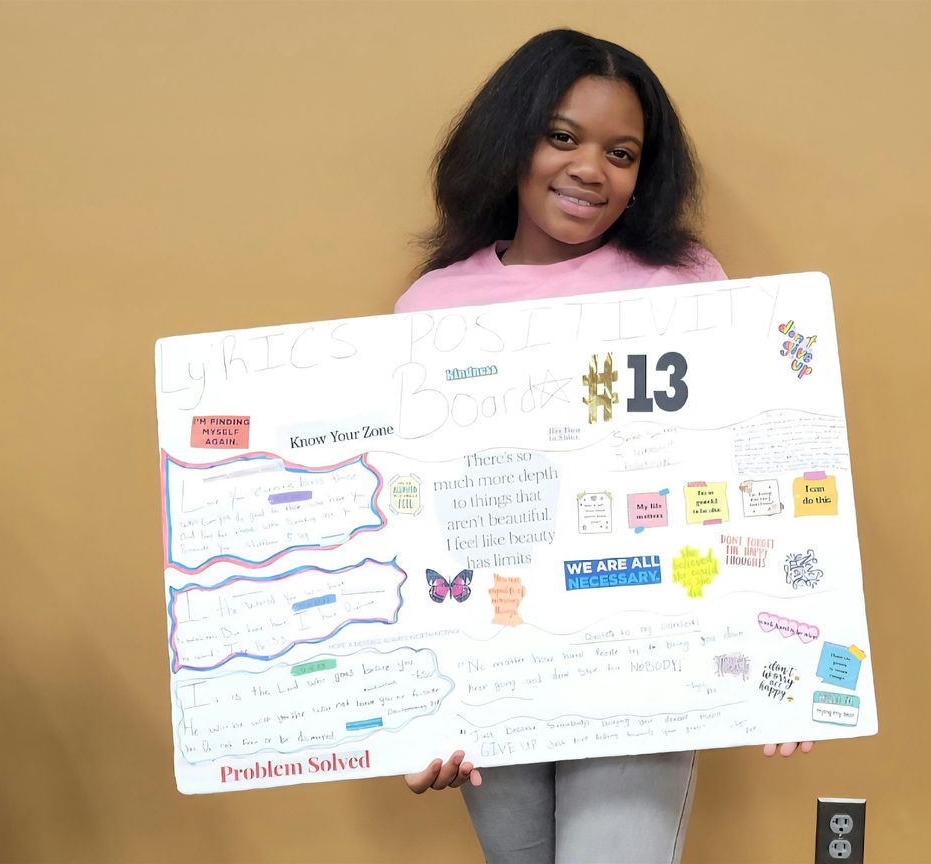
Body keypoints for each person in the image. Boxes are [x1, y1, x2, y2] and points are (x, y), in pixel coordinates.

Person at [394, 29, 813, 864]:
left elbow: (743, 469)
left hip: (642, 664)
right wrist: (418, 713)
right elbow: (412, 520)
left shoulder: (682, 284)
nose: (591, 168)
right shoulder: (430, 307)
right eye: (563, 137)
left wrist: (789, 654)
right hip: (491, 671)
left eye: (621, 153)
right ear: (512, 141)